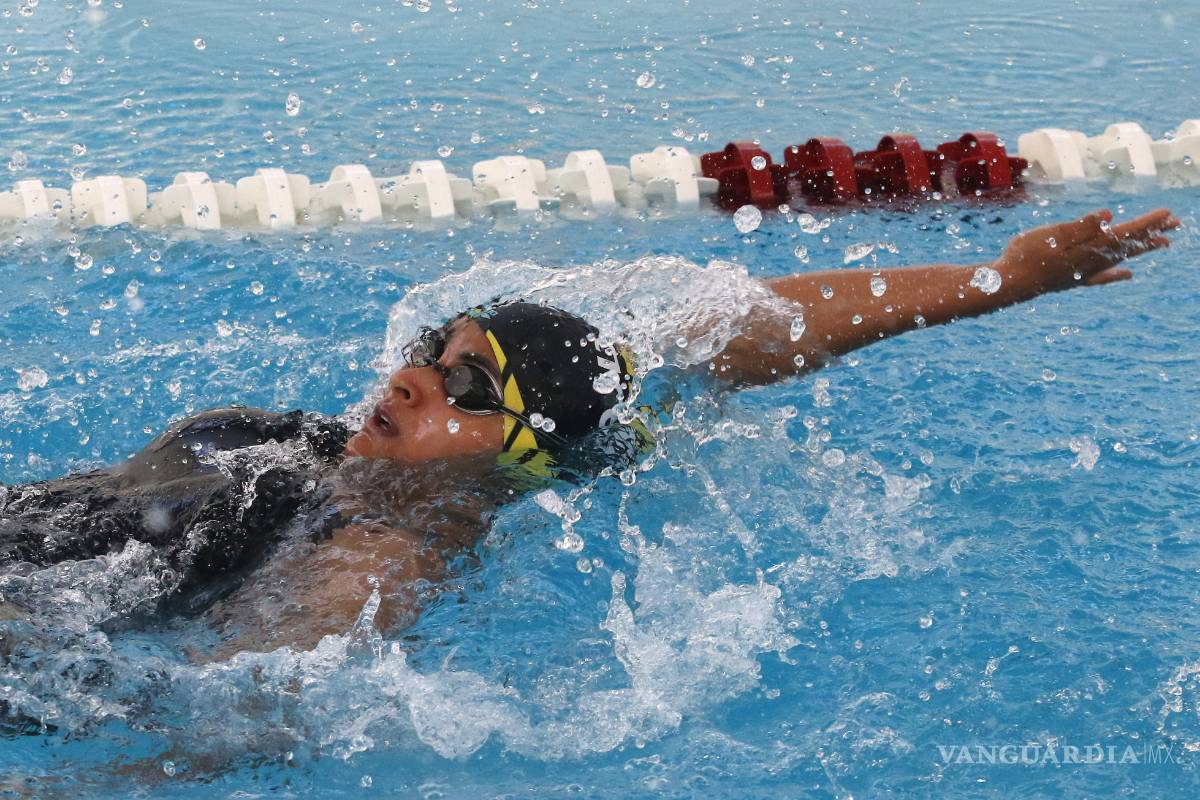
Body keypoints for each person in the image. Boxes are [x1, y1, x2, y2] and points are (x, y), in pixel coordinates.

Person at [0, 207, 1179, 656]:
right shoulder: (313, 445)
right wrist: (996, 276)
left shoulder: (388, 547)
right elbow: (724, 329)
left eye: (464, 383)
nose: (414, 380)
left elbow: (255, 699)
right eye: (431, 351)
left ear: (521, 450)